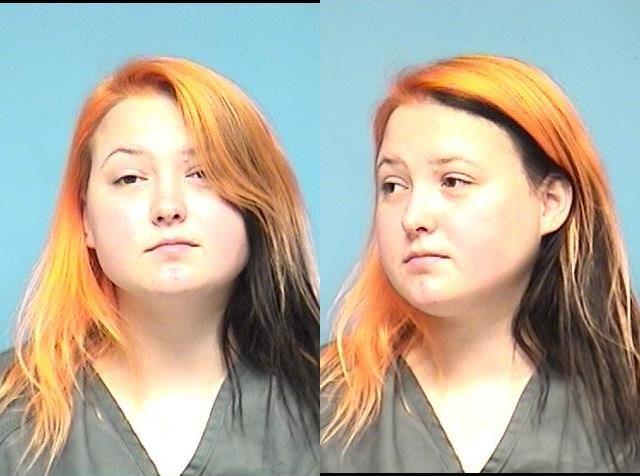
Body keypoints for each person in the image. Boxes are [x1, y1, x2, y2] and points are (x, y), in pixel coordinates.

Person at [320, 54, 640, 473]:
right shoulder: (321, 402)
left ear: (550, 203)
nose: (413, 217)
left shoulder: (625, 408)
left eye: (454, 181)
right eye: (393, 186)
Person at [0, 56, 319, 476]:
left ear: (258, 205)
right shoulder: (10, 413)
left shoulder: (322, 408)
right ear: (85, 220)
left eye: (203, 173)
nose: (168, 207)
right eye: (130, 178)